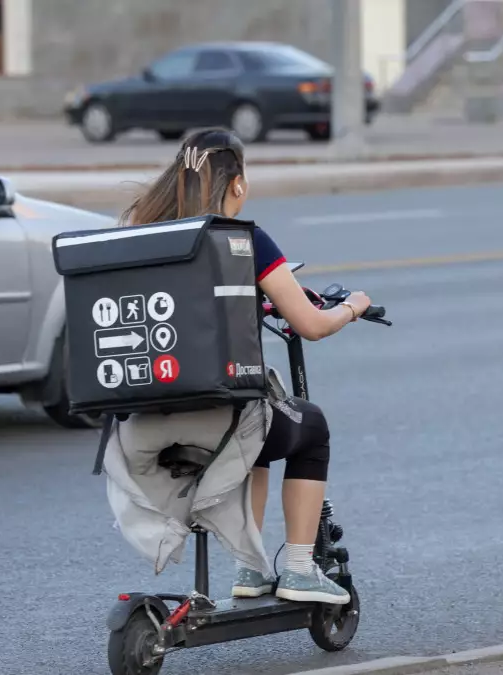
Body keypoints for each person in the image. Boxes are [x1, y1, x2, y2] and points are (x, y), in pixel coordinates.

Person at [118, 127, 371, 605]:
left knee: (255, 430)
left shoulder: (140, 234)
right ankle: (298, 568)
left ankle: (249, 568)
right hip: (219, 420)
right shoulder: (245, 240)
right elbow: (312, 325)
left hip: (144, 420)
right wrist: (353, 307)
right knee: (308, 426)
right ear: (236, 183)